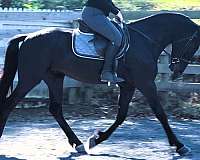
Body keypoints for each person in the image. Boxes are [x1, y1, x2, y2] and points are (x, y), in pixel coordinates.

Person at [82, 0, 125, 83]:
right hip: (93, 14)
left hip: (99, 14)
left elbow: (108, 1)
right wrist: (116, 12)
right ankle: (106, 72)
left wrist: (117, 10)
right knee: (117, 38)